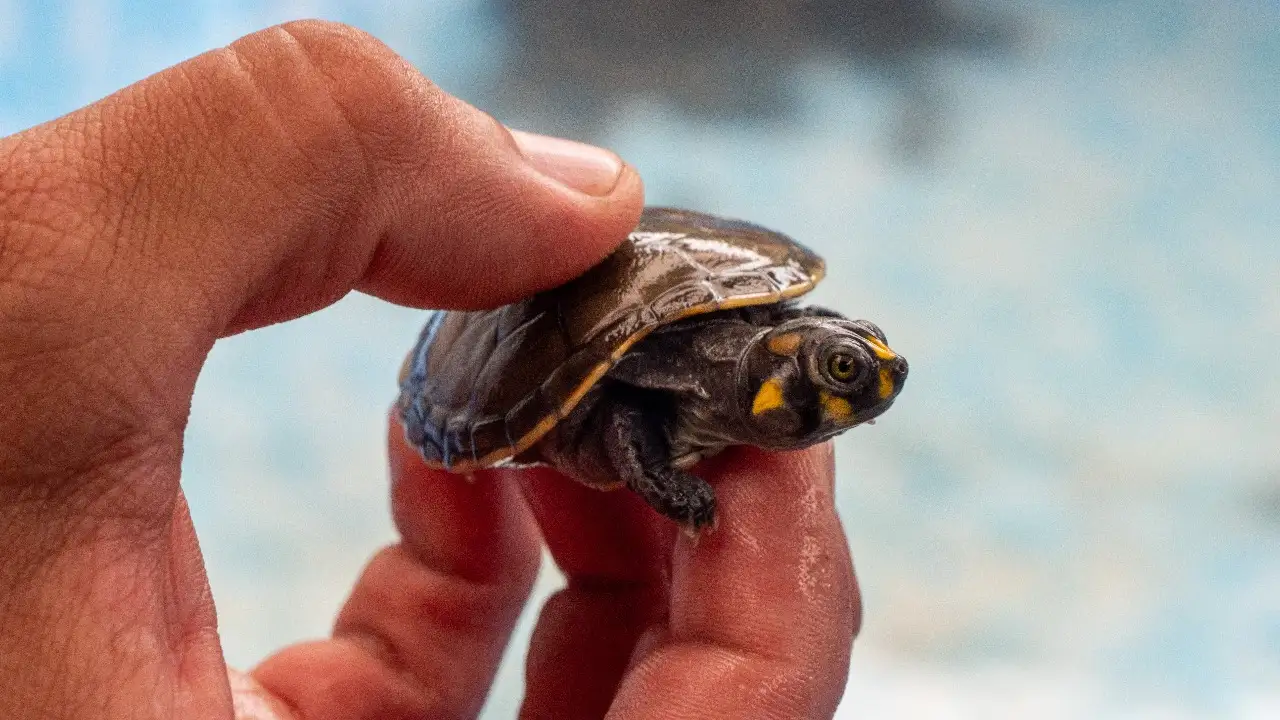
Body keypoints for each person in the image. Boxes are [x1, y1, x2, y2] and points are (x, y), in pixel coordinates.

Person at [0, 21, 859, 719]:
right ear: (779, 357)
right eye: (842, 365)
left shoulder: (738, 357)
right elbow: (628, 412)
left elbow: (642, 411)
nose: (866, 384)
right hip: (511, 359)